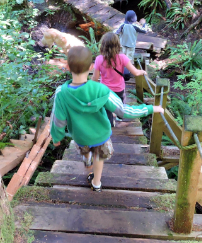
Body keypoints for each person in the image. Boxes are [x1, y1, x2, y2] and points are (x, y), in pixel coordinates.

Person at [51, 46, 163, 192]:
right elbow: (123, 111)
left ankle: (87, 164)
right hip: (100, 136)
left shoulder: (61, 93)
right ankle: (96, 183)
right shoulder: (101, 90)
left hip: (80, 136)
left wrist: (57, 137)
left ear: (67, 66)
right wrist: (149, 108)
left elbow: (58, 119)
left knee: (86, 152)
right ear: (91, 67)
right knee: (99, 156)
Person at [92, 32, 147, 127]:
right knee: (120, 104)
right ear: (117, 45)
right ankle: (119, 117)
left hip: (105, 91)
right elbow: (136, 72)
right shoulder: (123, 58)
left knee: (107, 108)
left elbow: (95, 78)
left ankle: (110, 124)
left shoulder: (99, 59)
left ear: (103, 45)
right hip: (119, 89)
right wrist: (143, 72)